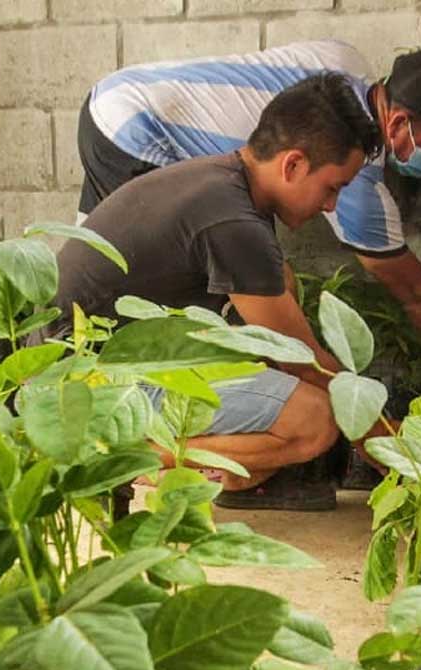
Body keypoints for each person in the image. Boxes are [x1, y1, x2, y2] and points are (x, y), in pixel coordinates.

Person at [54, 73, 383, 512]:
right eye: (333, 188)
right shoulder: (234, 221)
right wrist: (386, 444)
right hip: (84, 383)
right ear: (293, 165)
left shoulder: (223, 181)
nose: (330, 207)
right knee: (315, 419)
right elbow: (304, 363)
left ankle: (178, 459)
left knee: (279, 288)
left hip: (103, 359)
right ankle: (113, 459)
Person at [76, 40, 421, 342]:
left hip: (114, 97)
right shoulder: (356, 175)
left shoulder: (343, 62)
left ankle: (61, 345)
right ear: (397, 124)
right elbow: (416, 294)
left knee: (93, 254)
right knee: (185, 294)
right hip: (140, 132)